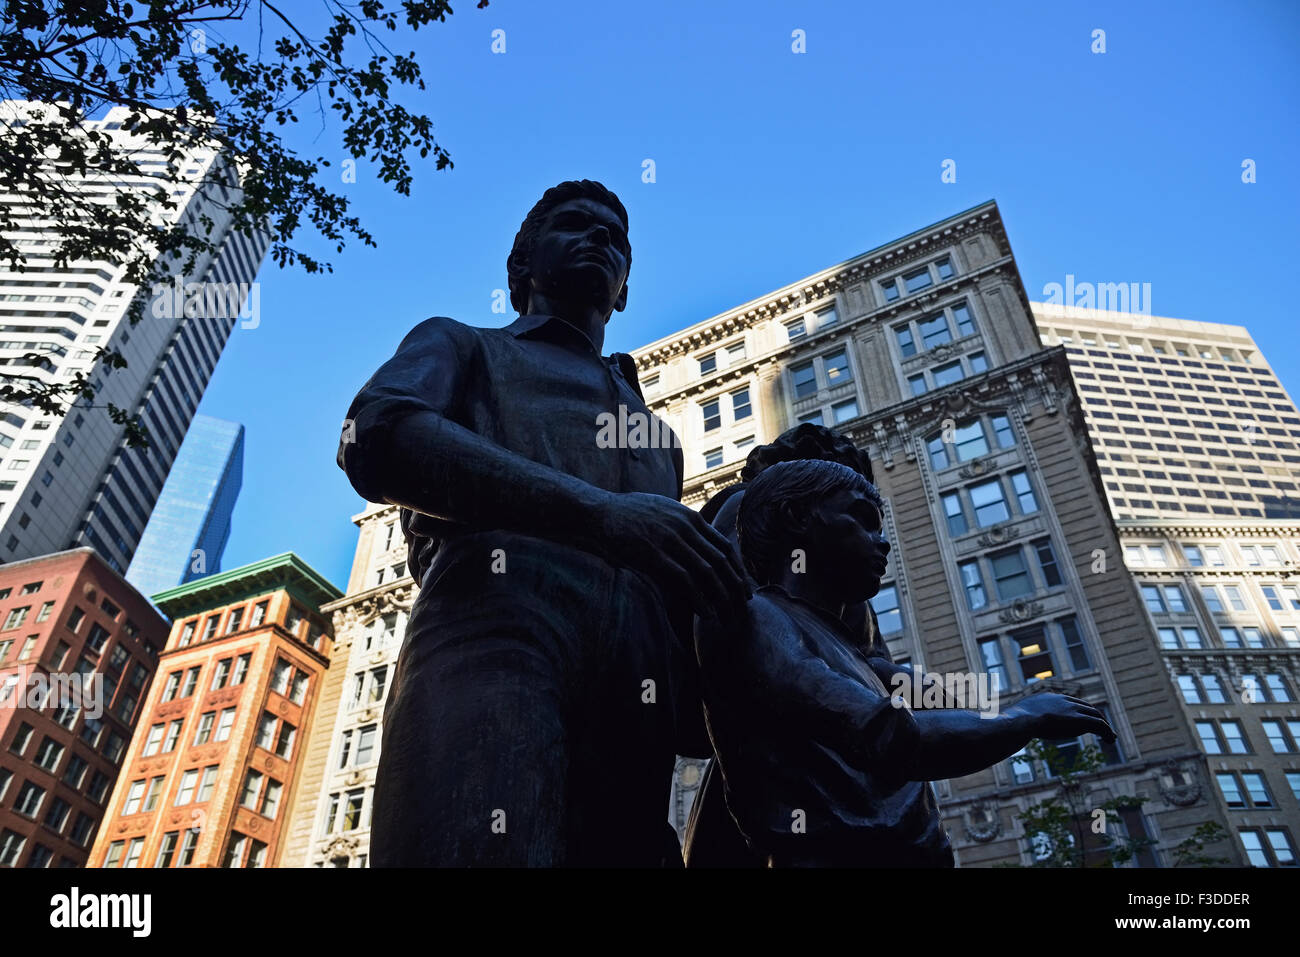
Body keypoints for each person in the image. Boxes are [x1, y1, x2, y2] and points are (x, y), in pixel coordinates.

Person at [337, 179, 748, 866]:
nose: (600, 241)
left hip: (631, 726)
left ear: (622, 291)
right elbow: (375, 435)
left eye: (617, 239)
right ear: (520, 267)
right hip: (490, 655)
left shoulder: (659, 440)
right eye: (576, 225)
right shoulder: (462, 345)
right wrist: (600, 514)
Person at [694, 458, 1115, 866]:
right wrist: (1026, 716)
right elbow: (893, 739)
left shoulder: (849, 651)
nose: (883, 542)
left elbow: (933, 718)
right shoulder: (760, 620)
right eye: (861, 519)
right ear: (796, 517)